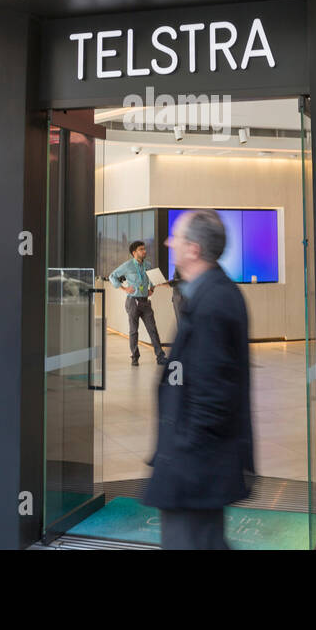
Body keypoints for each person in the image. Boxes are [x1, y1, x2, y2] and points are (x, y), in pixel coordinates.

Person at [144, 210, 253, 549]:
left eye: (174, 236)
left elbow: (213, 394)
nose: (167, 242)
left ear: (192, 249)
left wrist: (183, 455)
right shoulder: (209, 293)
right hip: (195, 465)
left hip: (194, 469)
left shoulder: (214, 302)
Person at [109, 240, 168, 366]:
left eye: (144, 249)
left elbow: (153, 278)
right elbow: (112, 276)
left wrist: (152, 288)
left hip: (145, 302)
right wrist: (123, 288)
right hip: (132, 301)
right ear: (134, 252)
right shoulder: (128, 265)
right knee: (134, 331)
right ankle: (135, 357)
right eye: (141, 249)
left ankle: (160, 356)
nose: (144, 251)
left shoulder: (148, 264)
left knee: (152, 329)